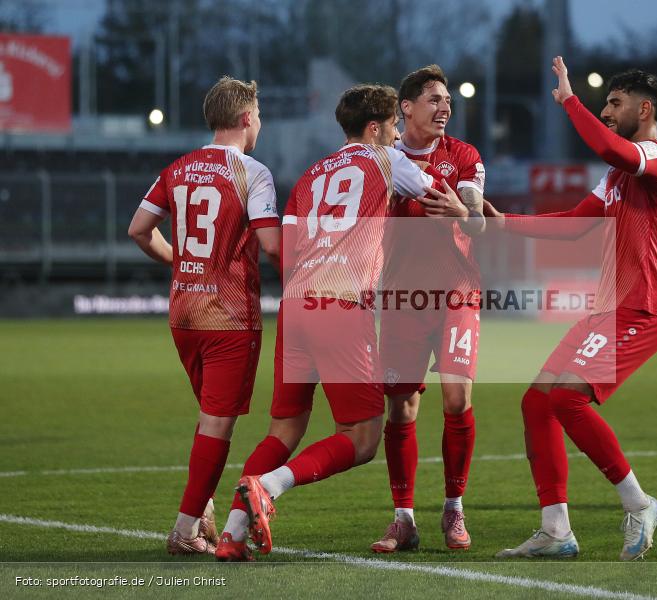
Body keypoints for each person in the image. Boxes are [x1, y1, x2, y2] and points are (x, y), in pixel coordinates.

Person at [216, 84, 466, 561]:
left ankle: (231, 533)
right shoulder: (386, 159)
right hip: (341, 304)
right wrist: (464, 205)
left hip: (295, 305)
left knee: (283, 431)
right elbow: (438, 198)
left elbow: (283, 249)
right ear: (375, 128)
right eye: (393, 127)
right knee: (364, 436)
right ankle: (269, 486)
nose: (397, 136)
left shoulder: (310, 175)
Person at [487, 57, 657, 561]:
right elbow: (574, 224)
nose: (606, 110)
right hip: (608, 308)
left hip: (644, 307)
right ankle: (556, 530)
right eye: (603, 104)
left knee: (567, 399)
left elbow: (606, 145)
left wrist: (568, 101)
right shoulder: (617, 180)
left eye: (614, 104)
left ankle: (639, 503)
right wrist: (503, 222)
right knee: (538, 401)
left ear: (645, 109)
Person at [127, 76, 281, 555]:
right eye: (258, 116)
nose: (259, 124)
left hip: (184, 314)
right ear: (244, 119)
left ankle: (204, 510)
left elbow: (138, 229)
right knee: (218, 426)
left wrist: (180, 259)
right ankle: (183, 530)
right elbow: (273, 244)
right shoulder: (253, 173)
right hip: (230, 317)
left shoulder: (179, 167)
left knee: (209, 420)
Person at [371, 64, 487, 553]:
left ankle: (454, 510)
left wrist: (465, 213)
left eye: (448, 102)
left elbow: (479, 222)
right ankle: (403, 519)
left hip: (457, 293)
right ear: (407, 108)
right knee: (401, 407)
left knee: (457, 399)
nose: (445, 109)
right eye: (435, 100)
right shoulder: (381, 160)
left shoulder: (463, 155)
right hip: (401, 298)